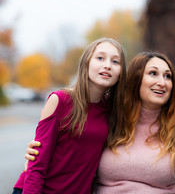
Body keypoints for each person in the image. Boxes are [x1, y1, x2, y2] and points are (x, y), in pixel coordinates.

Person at [22, 52, 175, 193]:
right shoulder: (110, 116)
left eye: (167, 76)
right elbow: (71, 151)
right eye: (152, 74)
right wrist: (37, 152)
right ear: (135, 81)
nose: (162, 81)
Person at [12, 37, 127, 194]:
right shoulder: (60, 100)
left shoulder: (114, 111)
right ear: (86, 64)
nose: (107, 65)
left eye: (115, 62)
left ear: (121, 73)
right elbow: (37, 162)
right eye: (100, 58)